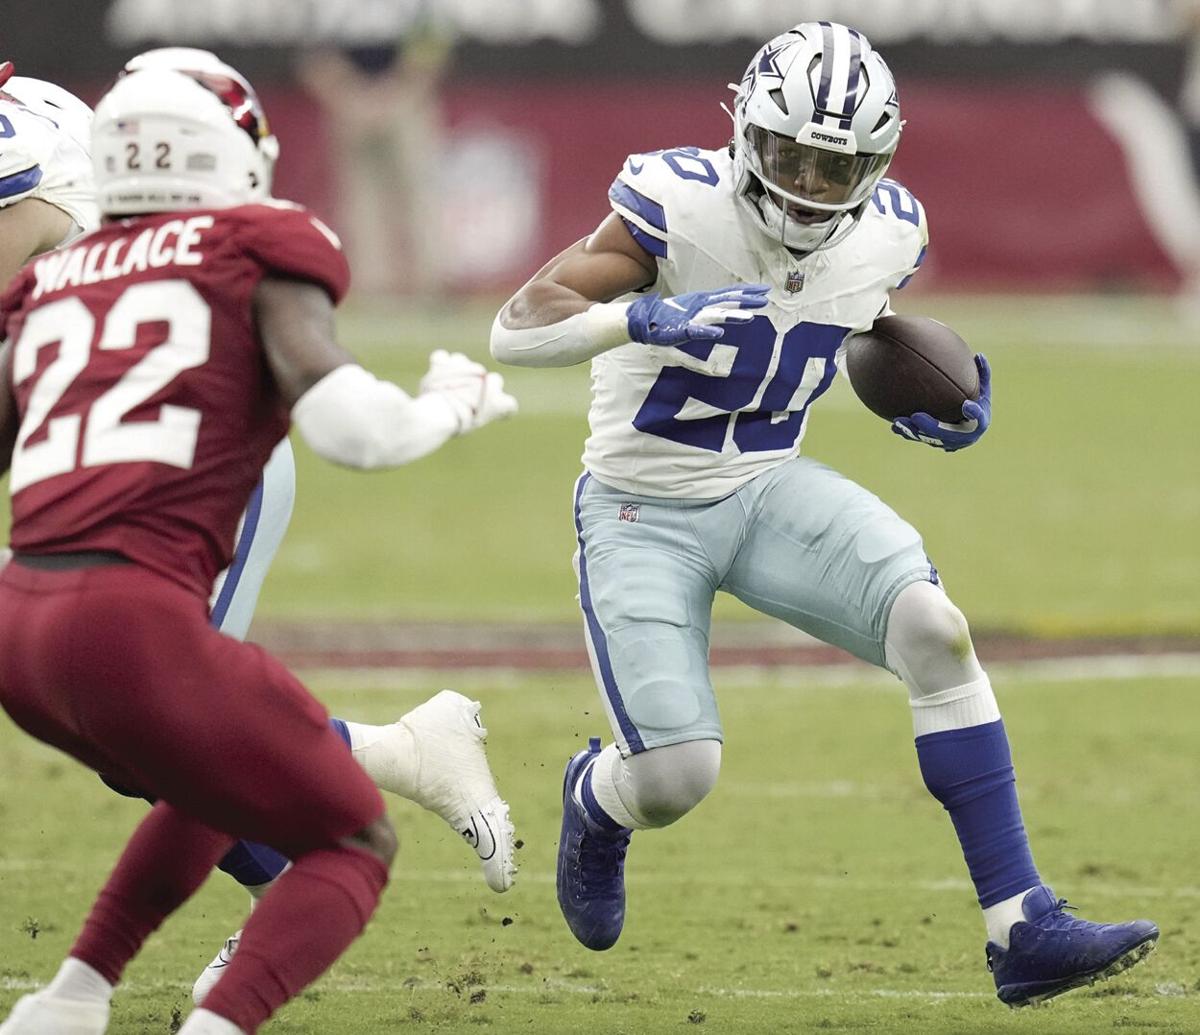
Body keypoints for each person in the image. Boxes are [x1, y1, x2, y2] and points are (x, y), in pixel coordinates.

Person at [491, 20, 1158, 1008]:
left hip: (769, 483)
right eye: (788, 154)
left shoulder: (890, 230)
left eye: (832, 165)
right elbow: (516, 326)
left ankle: (1021, 925)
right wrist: (631, 316)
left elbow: (858, 335)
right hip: (643, 504)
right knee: (677, 776)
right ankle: (597, 797)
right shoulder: (675, 205)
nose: (806, 182)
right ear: (743, 134)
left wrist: (954, 401)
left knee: (935, 629)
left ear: (875, 164)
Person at [0, 55, 516, 1035]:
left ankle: (73, 997)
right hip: (129, 581)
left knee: (179, 753)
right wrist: (448, 407)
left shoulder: (55, 270)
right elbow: (360, 433)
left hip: (29, 615)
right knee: (324, 823)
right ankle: (408, 755)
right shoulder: (257, 243)